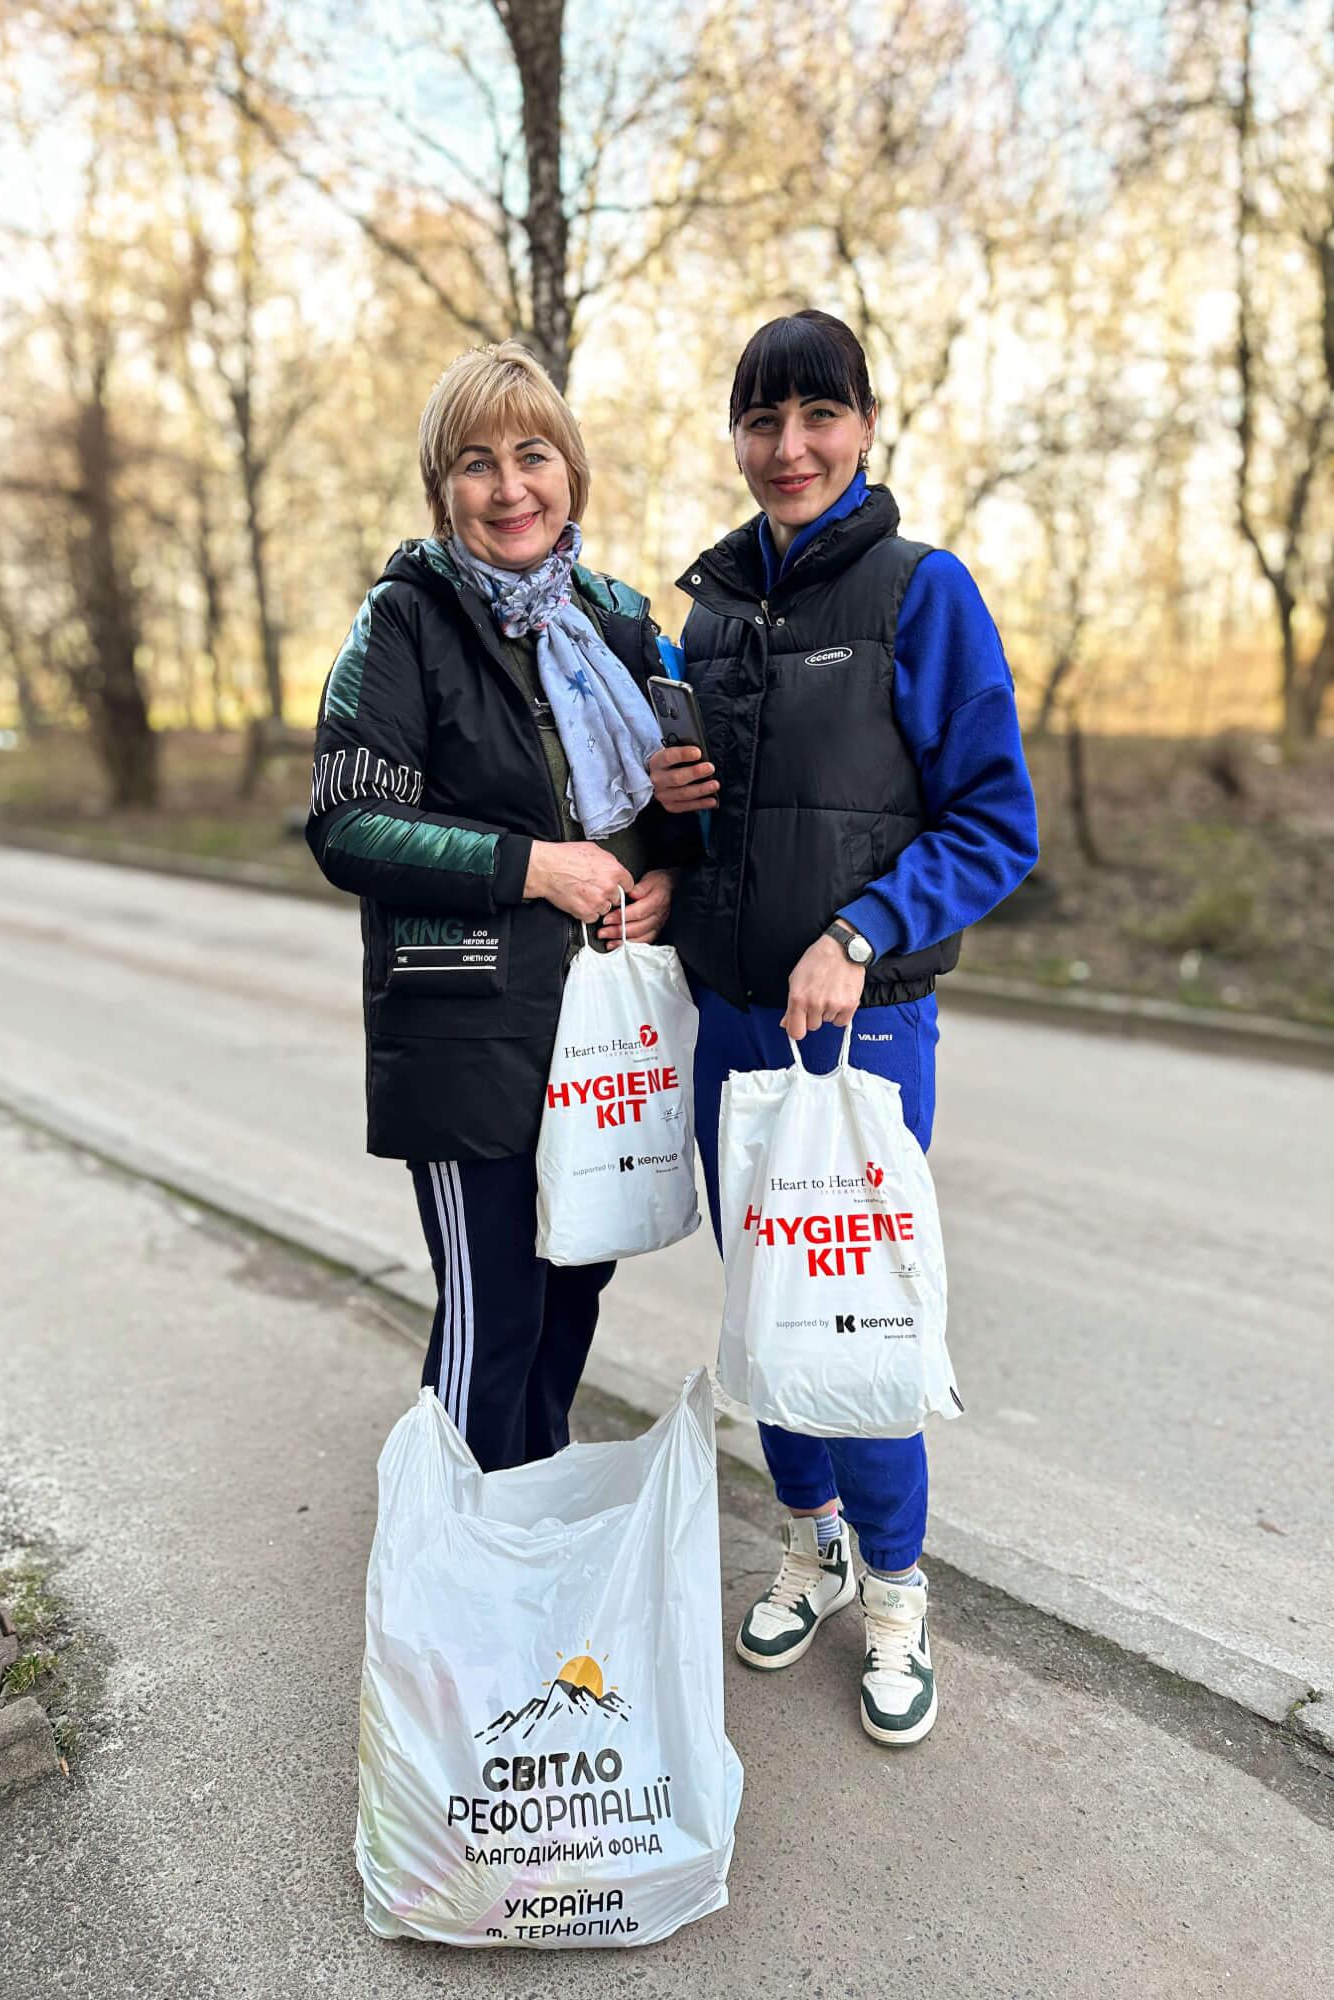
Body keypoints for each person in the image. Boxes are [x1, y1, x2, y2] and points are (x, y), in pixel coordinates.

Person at [651, 309, 1039, 1747]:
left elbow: (997, 822)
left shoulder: (921, 595)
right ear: (737, 437)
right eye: (762, 421)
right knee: (766, 1310)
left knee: (855, 1319)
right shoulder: (705, 615)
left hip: (863, 1032)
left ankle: (895, 1590)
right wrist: (664, 834)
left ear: (864, 426)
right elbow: (699, 831)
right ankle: (808, 1546)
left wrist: (858, 931)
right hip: (730, 1020)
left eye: (817, 416)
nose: (788, 447)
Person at [307, 341, 685, 1474]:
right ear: (443, 489)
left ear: (570, 470)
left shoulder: (620, 622)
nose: (510, 486)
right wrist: (532, 865)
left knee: (574, 1288)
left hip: (596, 1026)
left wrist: (668, 876)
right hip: (465, 1023)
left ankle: (526, 1522)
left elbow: (673, 798)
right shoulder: (404, 621)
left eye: (533, 454)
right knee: (494, 1309)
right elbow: (348, 822)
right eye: (476, 463)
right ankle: (454, 1572)